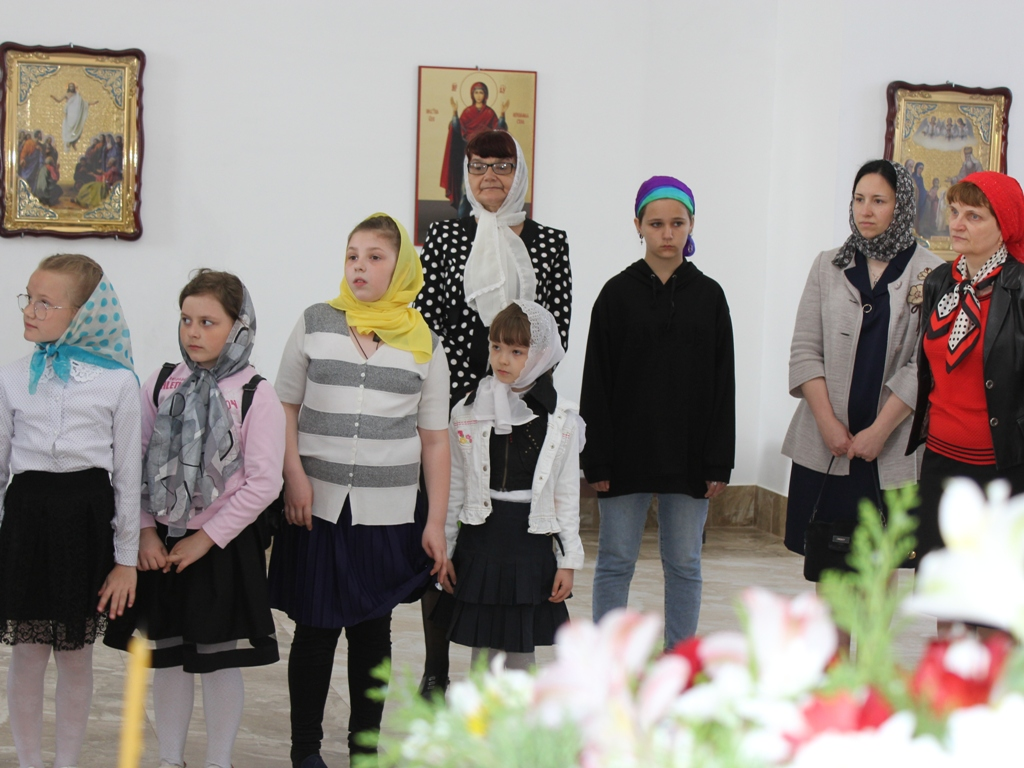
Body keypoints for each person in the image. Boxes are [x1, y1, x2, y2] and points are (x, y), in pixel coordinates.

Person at [268, 213, 451, 768]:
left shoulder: (424, 343)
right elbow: (283, 407)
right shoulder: (316, 322)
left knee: (373, 632)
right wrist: (294, 477)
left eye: (374, 257)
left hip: (387, 513)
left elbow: (435, 441)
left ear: (401, 268)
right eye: (352, 256)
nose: (359, 267)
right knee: (315, 629)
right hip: (315, 507)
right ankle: (305, 751)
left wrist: (435, 522)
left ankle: (364, 750)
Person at [104, 269, 284, 768]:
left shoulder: (255, 392)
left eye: (208, 322)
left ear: (238, 327)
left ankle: (218, 760)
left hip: (221, 545)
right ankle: (170, 759)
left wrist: (206, 538)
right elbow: (133, 461)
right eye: (186, 320)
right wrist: (144, 530)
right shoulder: (162, 382)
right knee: (166, 655)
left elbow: (264, 483)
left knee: (218, 657)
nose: (194, 332)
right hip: (162, 544)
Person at [416, 128, 572, 694]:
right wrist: (475, 385)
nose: (490, 176)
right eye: (479, 165)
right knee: (449, 533)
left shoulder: (550, 242)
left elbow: (556, 327)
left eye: (502, 166)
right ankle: (438, 667)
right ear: (466, 173)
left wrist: (515, 381)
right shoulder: (445, 236)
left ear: (519, 173)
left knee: (514, 542)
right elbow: (428, 321)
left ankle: (513, 665)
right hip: (458, 408)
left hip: (528, 410)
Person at [581, 176, 735, 650]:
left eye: (677, 223)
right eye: (656, 224)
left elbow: (723, 382)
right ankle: (608, 661)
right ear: (638, 226)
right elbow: (597, 380)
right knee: (615, 560)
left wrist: (718, 460)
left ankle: (679, 659)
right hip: (624, 453)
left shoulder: (709, 297)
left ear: (691, 225)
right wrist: (596, 458)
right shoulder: (615, 294)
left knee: (685, 563)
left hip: (689, 453)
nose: (667, 233)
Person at [0, 254, 140, 768]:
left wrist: (126, 560)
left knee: (76, 655)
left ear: (82, 315)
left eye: (45, 303)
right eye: (28, 298)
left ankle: (65, 763)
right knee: (27, 653)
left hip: (85, 525)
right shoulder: (13, 377)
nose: (29, 311)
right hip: (27, 523)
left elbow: (128, 477)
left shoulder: (118, 383)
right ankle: (29, 761)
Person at [783, 160, 943, 583]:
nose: (865, 211)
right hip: (829, 444)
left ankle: (872, 634)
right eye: (858, 199)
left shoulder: (932, 272)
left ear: (901, 206)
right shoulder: (827, 265)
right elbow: (805, 350)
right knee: (828, 564)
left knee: (880, 568)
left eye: (878, 201)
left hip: (889, 448)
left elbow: (924, 364)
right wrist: (828, 424)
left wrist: (879, 432)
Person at [444, 300, 583, 671]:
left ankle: (518, 709)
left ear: (539, 355)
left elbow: (566, 494)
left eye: (517, 351)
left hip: (528, 541)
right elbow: (455, 485)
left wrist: (568, 561)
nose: (502, 359)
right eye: (496, 347)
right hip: (482, 537)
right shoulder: (467, 410)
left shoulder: (560, 418)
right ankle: (482, 709)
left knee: (520, 645)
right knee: (483, 643)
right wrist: (446, 547)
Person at [907, 171, 1024, 561]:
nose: (957, 224)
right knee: (941, 584)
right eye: (954, 211)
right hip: (940, 460)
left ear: (1004, 227)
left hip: (1001, 467)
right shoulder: (941, 281)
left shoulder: (1020, 288)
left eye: (974, 216)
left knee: (995, 588)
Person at [440, 82, 508, 216]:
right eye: (476, 92)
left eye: (481, 92)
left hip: (486, 157)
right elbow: (458, 130)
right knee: (466, 191)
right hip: (469, 157)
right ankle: (462, 221)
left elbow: (498, 130)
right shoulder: (467, 112)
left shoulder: (489, 113)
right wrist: (454, 112)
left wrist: (502, 114)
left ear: (485, 95)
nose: (478, 95)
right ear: (472, 94)